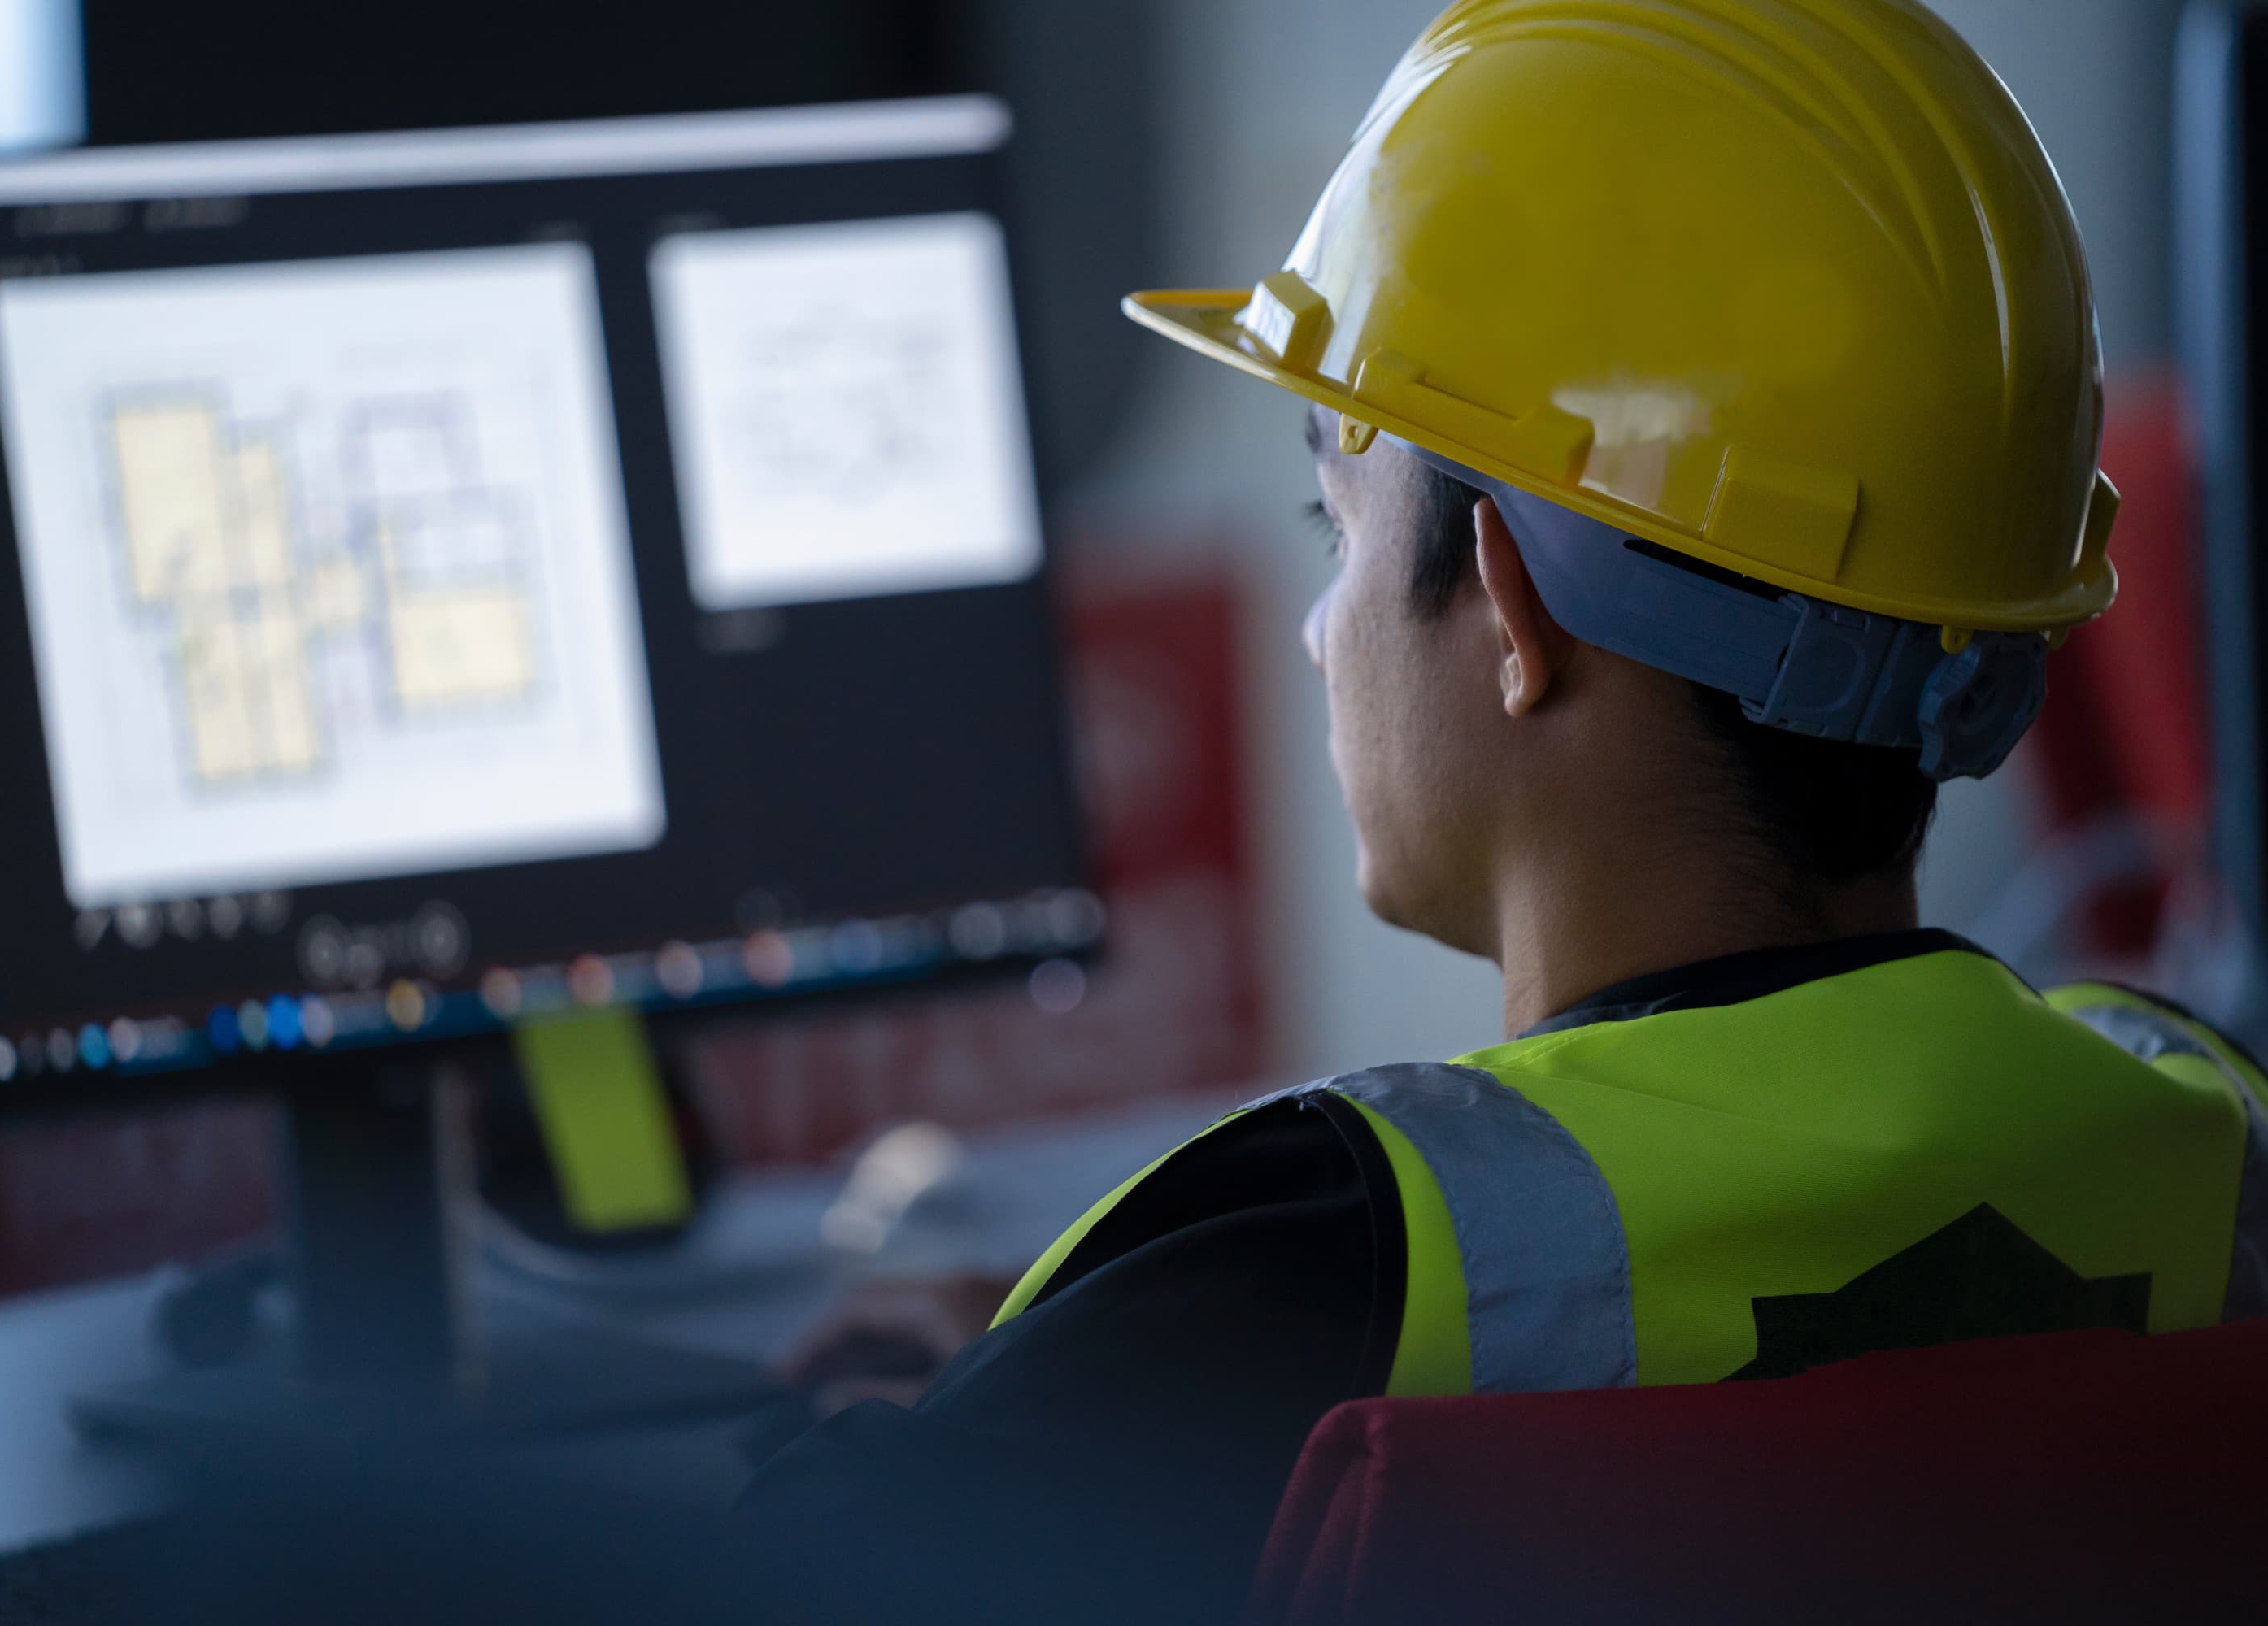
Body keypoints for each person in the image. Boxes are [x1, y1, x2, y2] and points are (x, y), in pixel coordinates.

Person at [732, 1, 2268, 1618]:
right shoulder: (2212, 1135)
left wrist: (1076, 1357)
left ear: (1509, 605)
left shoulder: (1316, 1244)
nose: (1323, 633)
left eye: (1333, 524)